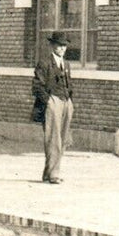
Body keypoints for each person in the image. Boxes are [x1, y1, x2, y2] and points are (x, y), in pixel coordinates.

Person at [32, 32, 74, 184]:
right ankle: (54, 174)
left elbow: (69, 84)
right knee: (53, 139)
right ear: (52, 45)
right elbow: (37, 86)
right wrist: (48, 101)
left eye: (64, 45)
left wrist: (70, 101)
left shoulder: (67, 64)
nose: (62, 48)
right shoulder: (44, 63)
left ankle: (48, 173)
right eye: (59, 45)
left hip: (66, 102)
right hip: (53, 102)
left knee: (62, 138)